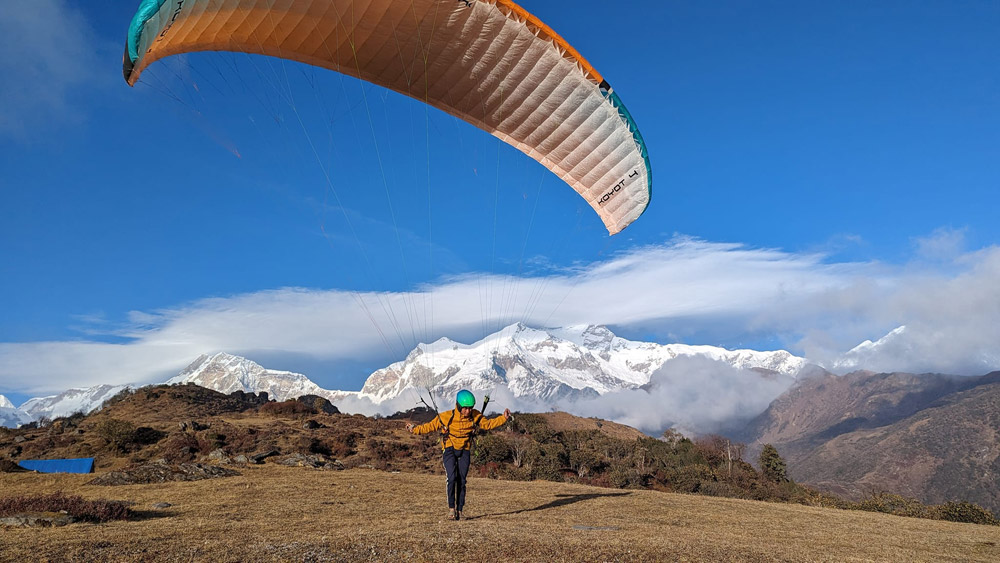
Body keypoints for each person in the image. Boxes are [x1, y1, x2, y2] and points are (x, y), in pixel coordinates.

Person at [406, 389, 511, 521]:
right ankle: (451, 509)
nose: (468, 411)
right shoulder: (446, 417)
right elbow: (429, 427)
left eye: (470, 408)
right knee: (452, 478)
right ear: (458, 406)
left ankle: (460, 511)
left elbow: (488, 424)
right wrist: (413, 429)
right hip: (449, 448)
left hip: (465, 449)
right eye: (465, 408)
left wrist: (503, 418)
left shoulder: (475, 416)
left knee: (462, 480)